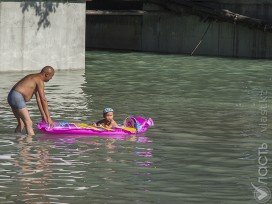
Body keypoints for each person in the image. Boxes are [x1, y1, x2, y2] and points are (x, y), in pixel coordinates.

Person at [7, 66, 55, 136]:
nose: (51, 78)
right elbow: (43, 99)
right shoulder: (39, 80)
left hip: (11, 96)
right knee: (28, 123)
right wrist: (49, 118)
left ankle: (18, 141)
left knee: (22, 123)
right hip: (17, 97)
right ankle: (29, 144)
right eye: (51, 76)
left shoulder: (33, 77)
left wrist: (43, 116)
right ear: (46, 75)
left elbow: (38, 99)